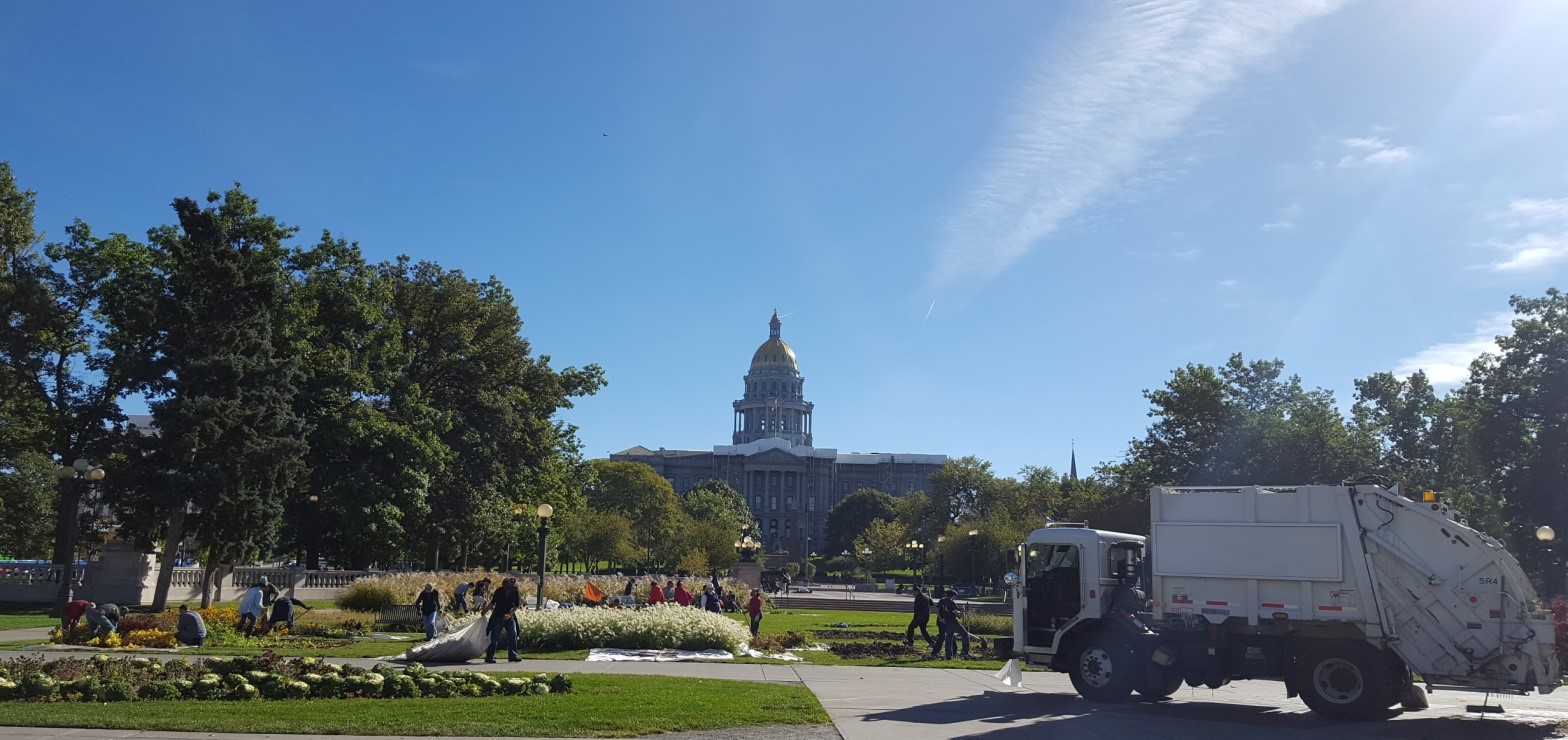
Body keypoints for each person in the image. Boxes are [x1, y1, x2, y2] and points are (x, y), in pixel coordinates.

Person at [483, 577, 522, 663]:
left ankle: (513, 656)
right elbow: (492, 603)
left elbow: (516, 606)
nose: (510, 588)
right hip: (498, 616)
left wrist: (509, 614)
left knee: (513, 636)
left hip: (510, 617)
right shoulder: (499, 591)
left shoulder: (515, 592)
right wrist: (484, 611)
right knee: (494, 637)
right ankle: (489, 657)